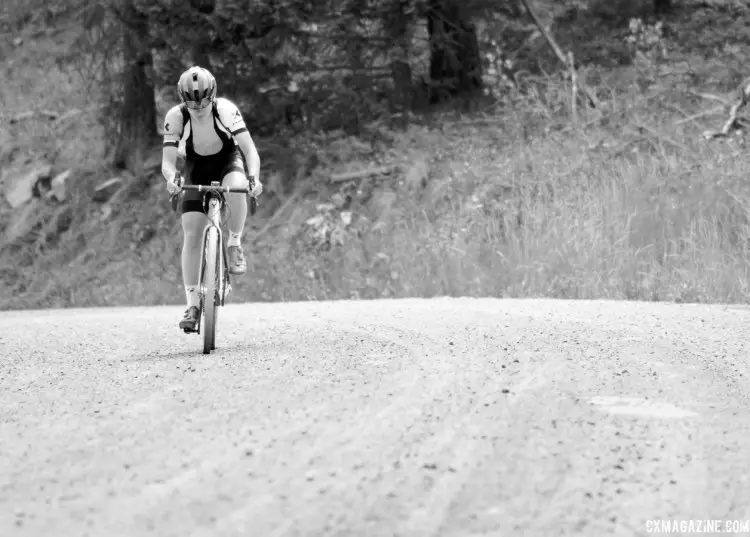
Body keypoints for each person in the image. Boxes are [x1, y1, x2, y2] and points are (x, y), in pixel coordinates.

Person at [160, 66, 263, 332]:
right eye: (192, 102)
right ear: (183, 100)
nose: (199, 107)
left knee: (237, 187)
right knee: (192, 232)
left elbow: (250, 150)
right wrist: (173, 179)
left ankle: (235, 243)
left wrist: (254, 178)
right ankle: (193, 305)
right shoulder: (175, 117)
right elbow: (168, 163)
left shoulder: (225, 110)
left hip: (227, 160)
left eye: (204, 101)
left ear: (212, 95)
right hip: (196, 166)